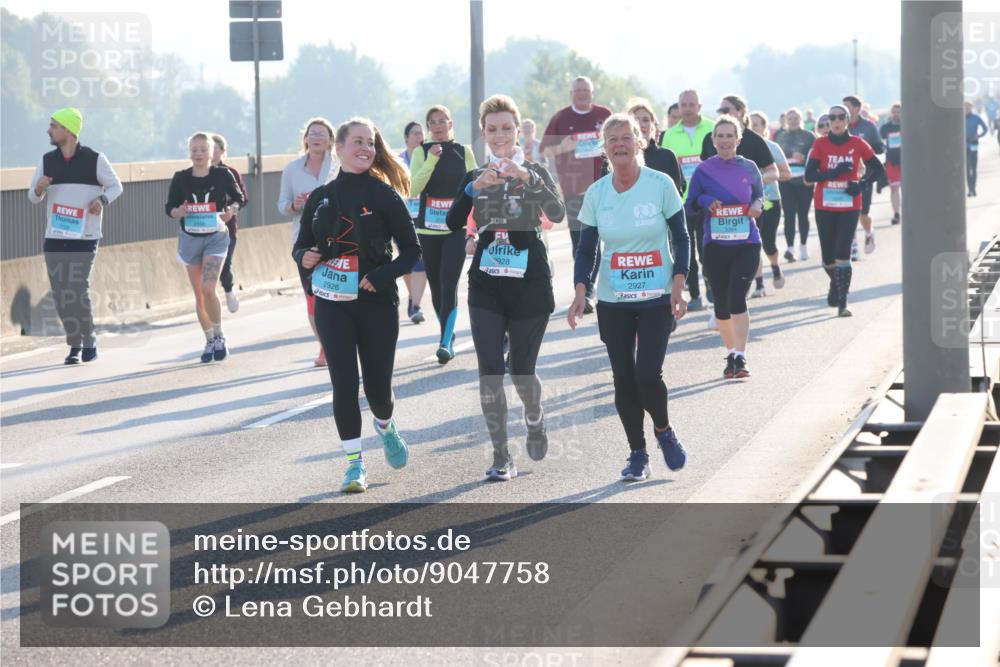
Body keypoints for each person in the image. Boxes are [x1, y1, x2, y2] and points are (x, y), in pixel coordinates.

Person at [293, 117, 420, 494]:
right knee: (344, 384)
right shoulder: (320, 198)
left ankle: (385, 424)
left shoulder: (384, 195)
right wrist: (306, 256)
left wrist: (381, 276)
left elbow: (412, 251)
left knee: (378, 391)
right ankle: (354, 465)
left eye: (371, 143)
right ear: (340, 148)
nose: (366, 148)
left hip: (376, 302)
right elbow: (299, 247)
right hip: (333, 303)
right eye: (358, 142)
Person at [445, 94, 565, 481]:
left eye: (506, 129)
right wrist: (471, 190)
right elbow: (450, 223)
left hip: (529, 283)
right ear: (483, 133)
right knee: (490, 372)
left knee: (522, 372)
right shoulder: (474, 177)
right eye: (492, 129)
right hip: (486, 282)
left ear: (518, 131)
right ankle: (501, 455)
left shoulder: (534, 170)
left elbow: (559, 213)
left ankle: (535, 417)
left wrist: (528, 179)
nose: (499, 136)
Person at [569, 113, 689, 482]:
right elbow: (587, 249)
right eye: (612, 139)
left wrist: (679, 284)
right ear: (604, 149)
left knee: (647, 376)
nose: (619, 144)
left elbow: (682, 238)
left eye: (626, 137)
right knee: (623, 378)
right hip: (614, 299)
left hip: (656, 297)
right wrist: (580, 290)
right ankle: (638, 453)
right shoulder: (597, 193)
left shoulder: (660, 184)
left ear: (640, 141)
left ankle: (664, 431)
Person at [27, 107, 123, 364]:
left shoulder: (95, 159)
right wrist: (38, 188)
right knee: (61, 294)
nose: (49, 130)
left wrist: (102, 199)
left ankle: (88, 339)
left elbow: (116, 186)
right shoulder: (47, 160)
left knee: (77, 289)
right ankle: (75, 343)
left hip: (86, 235)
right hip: (55, 237)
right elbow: (33, 198)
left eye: (53, 126)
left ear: (68, 130)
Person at [686, 115, 765, 379]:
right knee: (720, 304)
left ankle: (741, 357)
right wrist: (707, 199)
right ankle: (730, 352)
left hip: (746, 243)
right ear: (713, 140)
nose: (724, 140)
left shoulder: (750, 167)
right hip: (715, 246)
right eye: (719, 136)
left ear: (738, 139)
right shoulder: (704, 170)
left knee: (735, 298)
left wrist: (757, 206)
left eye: (730, 135)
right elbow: (691, 204)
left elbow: (759, 195)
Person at [166, 132, 246, 362]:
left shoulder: (222, 175)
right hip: (190, 239)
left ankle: (220, 336)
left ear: (212, 152)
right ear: (189, 152)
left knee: (209, 287)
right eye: (194, 149)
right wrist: (178, 212)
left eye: (203, 149)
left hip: (215, 237)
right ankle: (209, 339)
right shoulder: (180, 178)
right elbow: (169, 208)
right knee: (200, 294)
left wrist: (232, 209)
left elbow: (238, 197)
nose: (198, 154)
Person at [409, 105, 478, 363]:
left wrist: (474, 227)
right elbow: (414, 187)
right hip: (427, 229)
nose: (437, 126)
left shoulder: (464, 151)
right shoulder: (421, 152)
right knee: (436, 287)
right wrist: (431, 160)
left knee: (450, 283)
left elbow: (475, 187)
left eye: (442, 121)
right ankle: (447, 333)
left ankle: (445, 341)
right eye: (432, 122)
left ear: (451, 123)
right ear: (428, 127)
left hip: (455, 229)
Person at [539, 75, 613, 315]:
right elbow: (545, 150)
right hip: (574, 190)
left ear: (592, 93)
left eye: (586, 90)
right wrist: (565, 146)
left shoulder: (604, 114)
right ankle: (586, 290)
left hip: (604, 187)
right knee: (582, 241)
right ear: (571, 93)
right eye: (578, 90)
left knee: (607, 239)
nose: (582, 94)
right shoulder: (561, 118)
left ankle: (606, 287)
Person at [805, 104, 885, 317]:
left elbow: (878, 168)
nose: (837, 121)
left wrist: (862, 184)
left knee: (842, 253)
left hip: (850, 205)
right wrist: (832, 172)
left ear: (847, 120)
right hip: (825, 205)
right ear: (829, 122)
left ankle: (843, 302)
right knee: (828, 259)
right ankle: (836, 284)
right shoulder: (820, 144)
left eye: (841, 117)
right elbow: (810, 175)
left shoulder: (857, 143)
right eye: (833, 117)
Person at [278, 117, 338, 366]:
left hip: (337, 240)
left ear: (331, 140)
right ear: (305, 139)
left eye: (322, 134)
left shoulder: (338, 165)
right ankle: (324, 346)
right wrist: (295, 205)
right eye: (312, 133)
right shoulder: (292, 169)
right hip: (304, 242)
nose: (316, 138)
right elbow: (282, 204)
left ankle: (339, 342)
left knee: (336, 294)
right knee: (313, 298)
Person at [659, 89, 716, 311]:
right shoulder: (669, 135)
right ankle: (694, 294)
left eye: (692, 104)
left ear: (699, 106)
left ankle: (711, 284)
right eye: (684, 104)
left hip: (710, 199)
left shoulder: (713, 128)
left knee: (708, 246)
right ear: (679, 107)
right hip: (681, 201)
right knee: (686, 248)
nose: (688, 108)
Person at [749, 111, 791, 296]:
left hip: (771, 200)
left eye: (757, 124)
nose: (753, 127)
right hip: (750, 203)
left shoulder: (772, 147)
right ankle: (759, 284)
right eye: (750, 124)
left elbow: (786, 174)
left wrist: (764, 178)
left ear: (765, 128)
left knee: (768, 243)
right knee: (754, 243)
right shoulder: (742, 147)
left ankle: (774, 265)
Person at [210, 134, 250, 313]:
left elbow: (242, 198)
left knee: (224, 265)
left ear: (222, 151)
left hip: (226, 228)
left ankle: (228, 289)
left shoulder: (230, 173)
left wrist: (231, 210)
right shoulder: (194, 174)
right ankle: (208, 301)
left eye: (214, 148)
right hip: (202, 228)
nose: (209, 152)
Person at [843, 95, 885, 256]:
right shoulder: (841, 125)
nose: (844, 110)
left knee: (863, 213)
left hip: (865, 176)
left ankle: (869, 233)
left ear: (857, 108)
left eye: (847, 106)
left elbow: (880, 147)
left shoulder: (869, 127)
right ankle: (852, 245)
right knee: (847, 211)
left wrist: (871, 148)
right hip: (846, 177)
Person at [775, 107, 816, 261]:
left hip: (804, 181)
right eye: (790, 118)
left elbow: (816, 158)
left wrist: (804, 158)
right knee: (789, 215)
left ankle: (803, 246)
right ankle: (790, 248)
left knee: (803, 215)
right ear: (786, 120)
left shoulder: (809, 136)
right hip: (786, 181)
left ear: (801, 120)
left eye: (795, 118)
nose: (792, 121)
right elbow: (775, 157)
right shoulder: (780, 136)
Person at [398, 121, 428, 324]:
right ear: (406, 138)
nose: (419, 137)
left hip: (424, 216)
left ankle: (416, 305)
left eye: (421, 134)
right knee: (406, 264)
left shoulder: (429, 157)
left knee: (420, 261)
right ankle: (412, 296)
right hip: (401, 216)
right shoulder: (398, 161)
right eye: (415, 134)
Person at [626, 98, 685, 195]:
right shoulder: (619, 155)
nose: (641, 125)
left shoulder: (667, 156)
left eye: (645, 120)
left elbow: (677, 192)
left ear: (653, 125)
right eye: (635, 120)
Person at [878, 103, 902, 224]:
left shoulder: (907, 125)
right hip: (892, 161)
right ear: (891, 113)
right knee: (894, 188)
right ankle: (896, 214)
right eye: (894, 112)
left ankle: (910, 212)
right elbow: (881, 143)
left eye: (899, 111)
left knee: (908, 189)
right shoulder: (885, 128)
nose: (896, 114)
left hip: (906, 161)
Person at [965, 100, 989, 197]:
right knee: (967, 169)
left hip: (974, 145)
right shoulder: (960, 119)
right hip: (964, 146)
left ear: (971, 108)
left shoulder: (976, 117)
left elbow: (985, 129)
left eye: (968, 107)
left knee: (973, 168)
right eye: (965, 107)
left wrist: (978, 136)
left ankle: (973, 189)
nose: (967, 108)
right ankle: (970, 189)